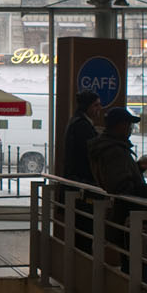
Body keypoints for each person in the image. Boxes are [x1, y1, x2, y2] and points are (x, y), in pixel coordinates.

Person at [86, 107, 147, 289]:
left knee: (132, 264)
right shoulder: (115, 151)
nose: (130, 129)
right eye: (128, 125)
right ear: (119, 126)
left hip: (123, 217)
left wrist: (138, 168)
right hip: (132, 218)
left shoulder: (107, 148)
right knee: (144, 266)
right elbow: (121, 186)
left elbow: (118, 179)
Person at [59, 90, 105, 254]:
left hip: (76, 186)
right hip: (83, 188)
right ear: (87, 106)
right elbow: (87, 157)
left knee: (81, 236)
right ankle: (82, 272)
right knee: (84, 236)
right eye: (96, 105)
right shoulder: (82, 126)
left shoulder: (76, 122)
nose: (99, 108)